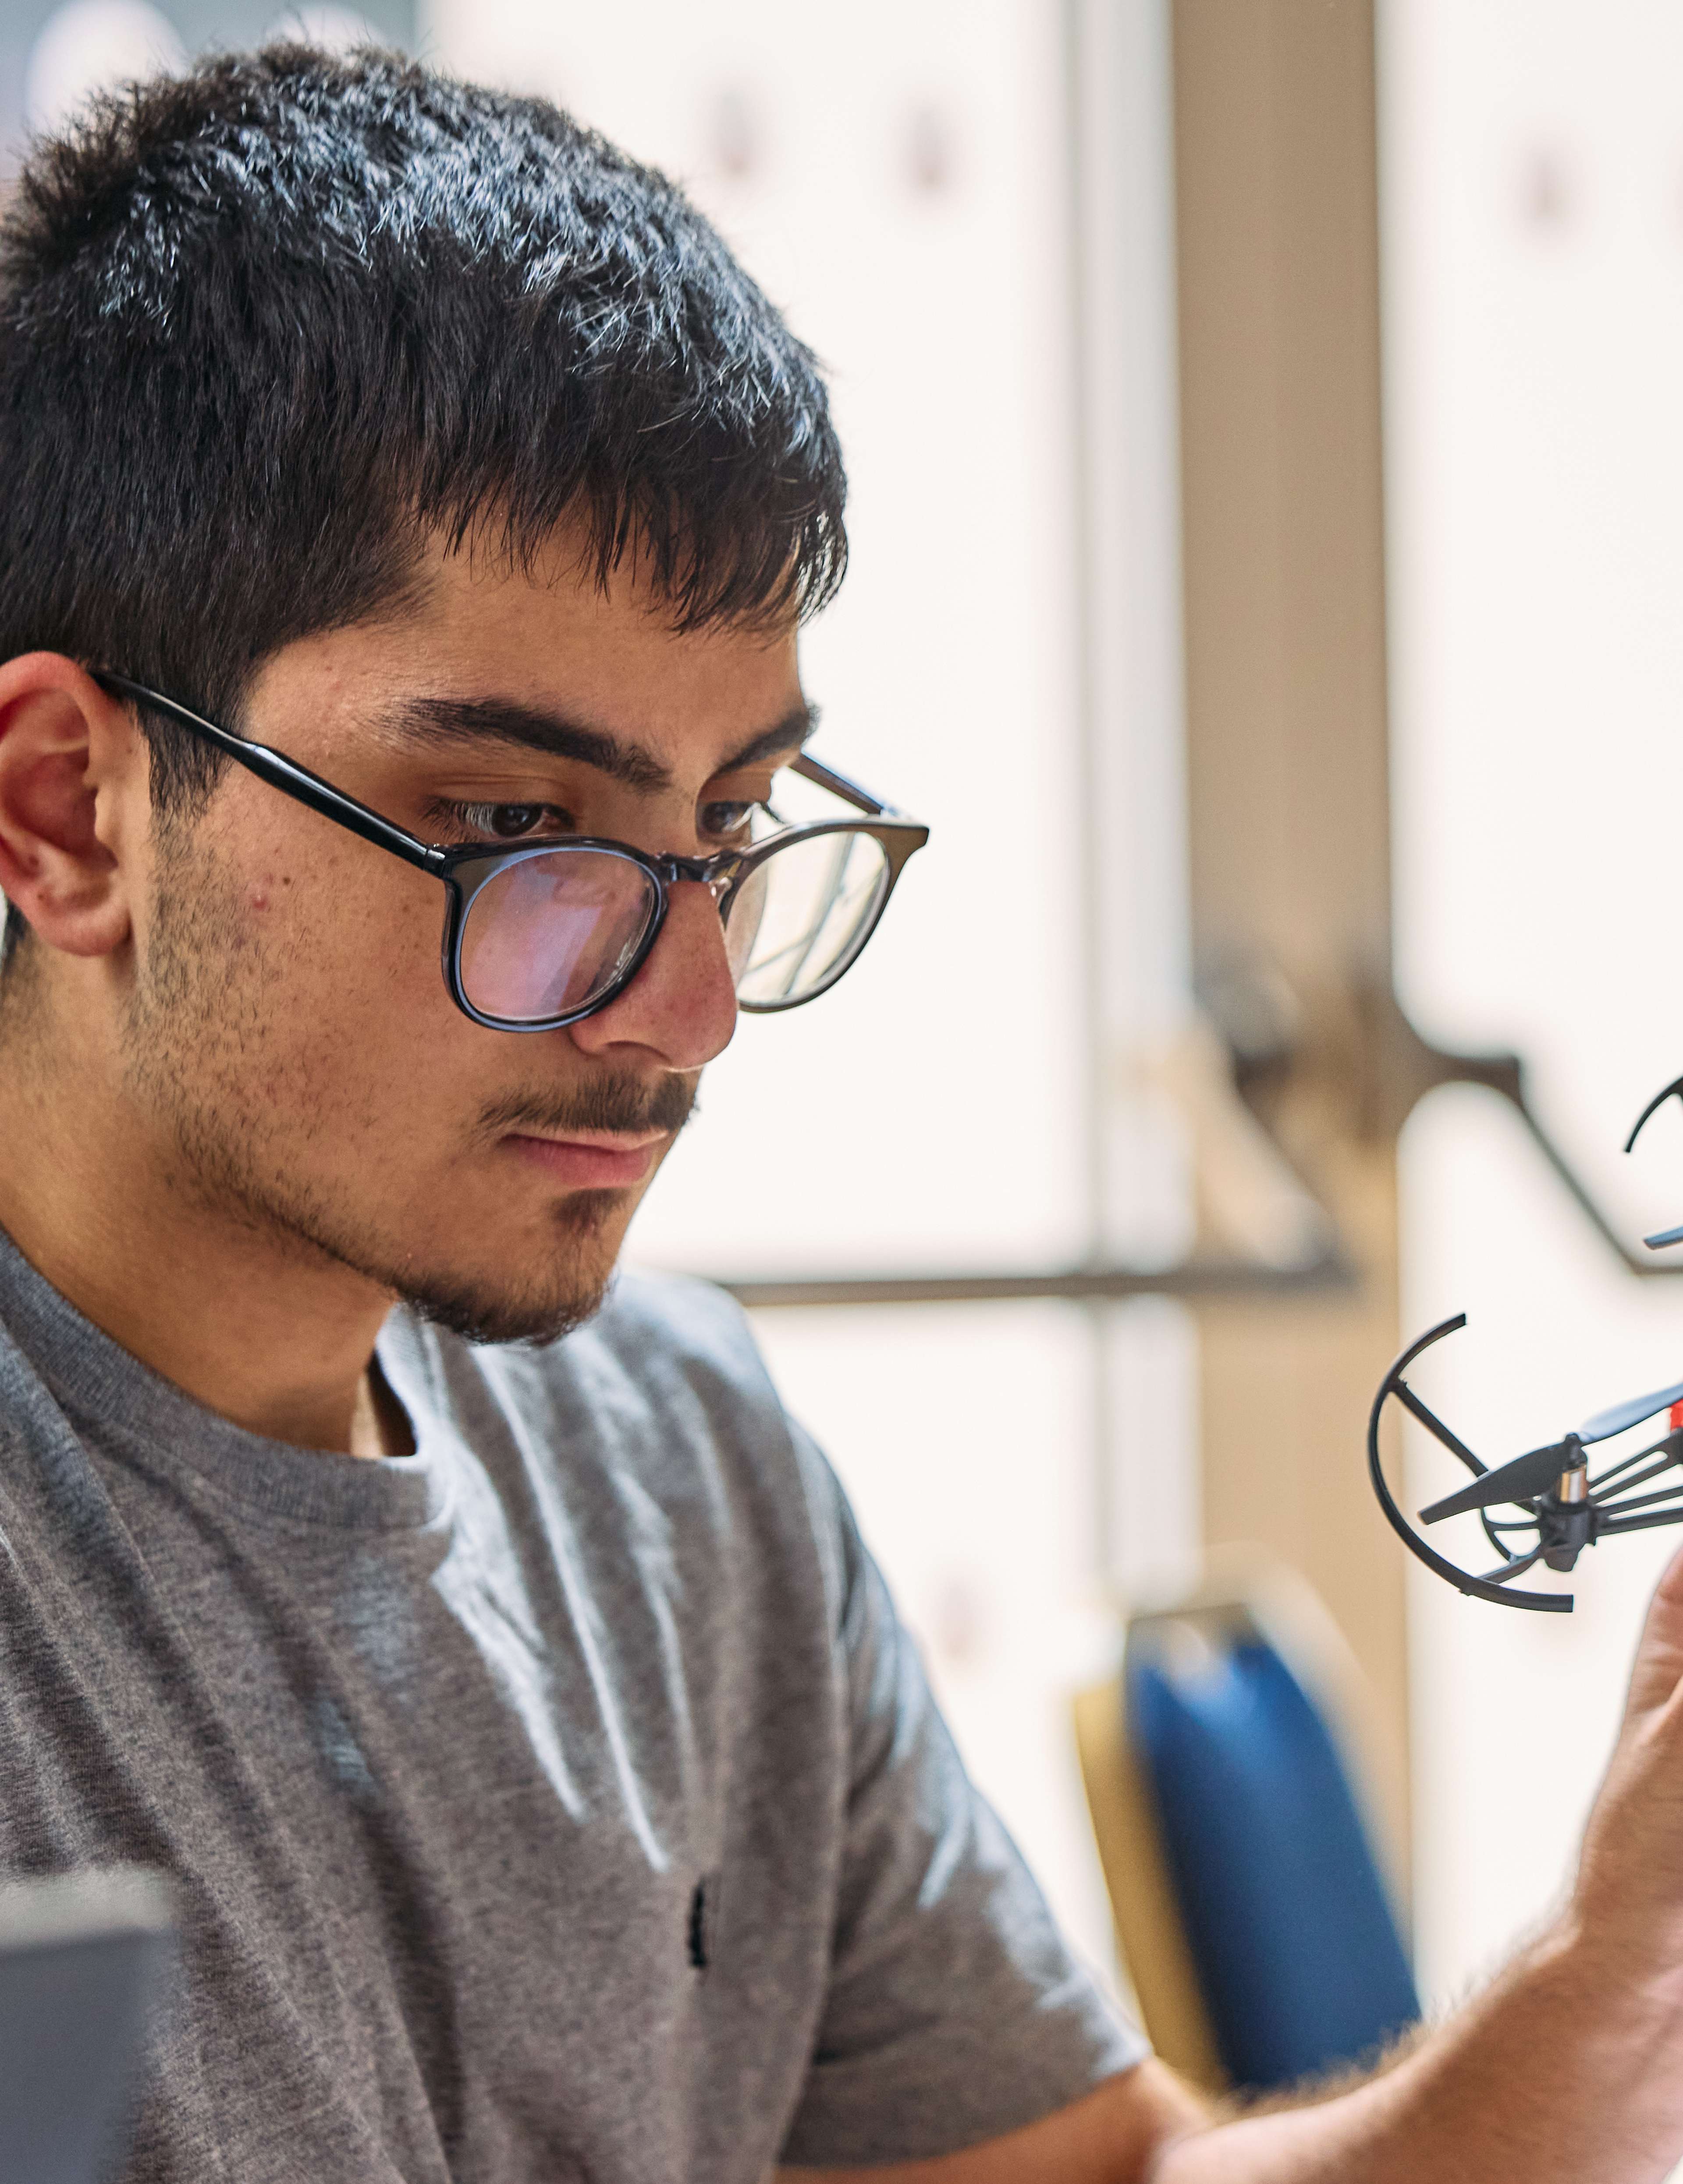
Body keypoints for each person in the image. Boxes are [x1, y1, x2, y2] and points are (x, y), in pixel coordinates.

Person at [0, 42, 1678, 2184]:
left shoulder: (677, 1462)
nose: (690, 1006)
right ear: (70, 809)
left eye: (730, 826)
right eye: (516, 826)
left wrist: (1629, 1963)